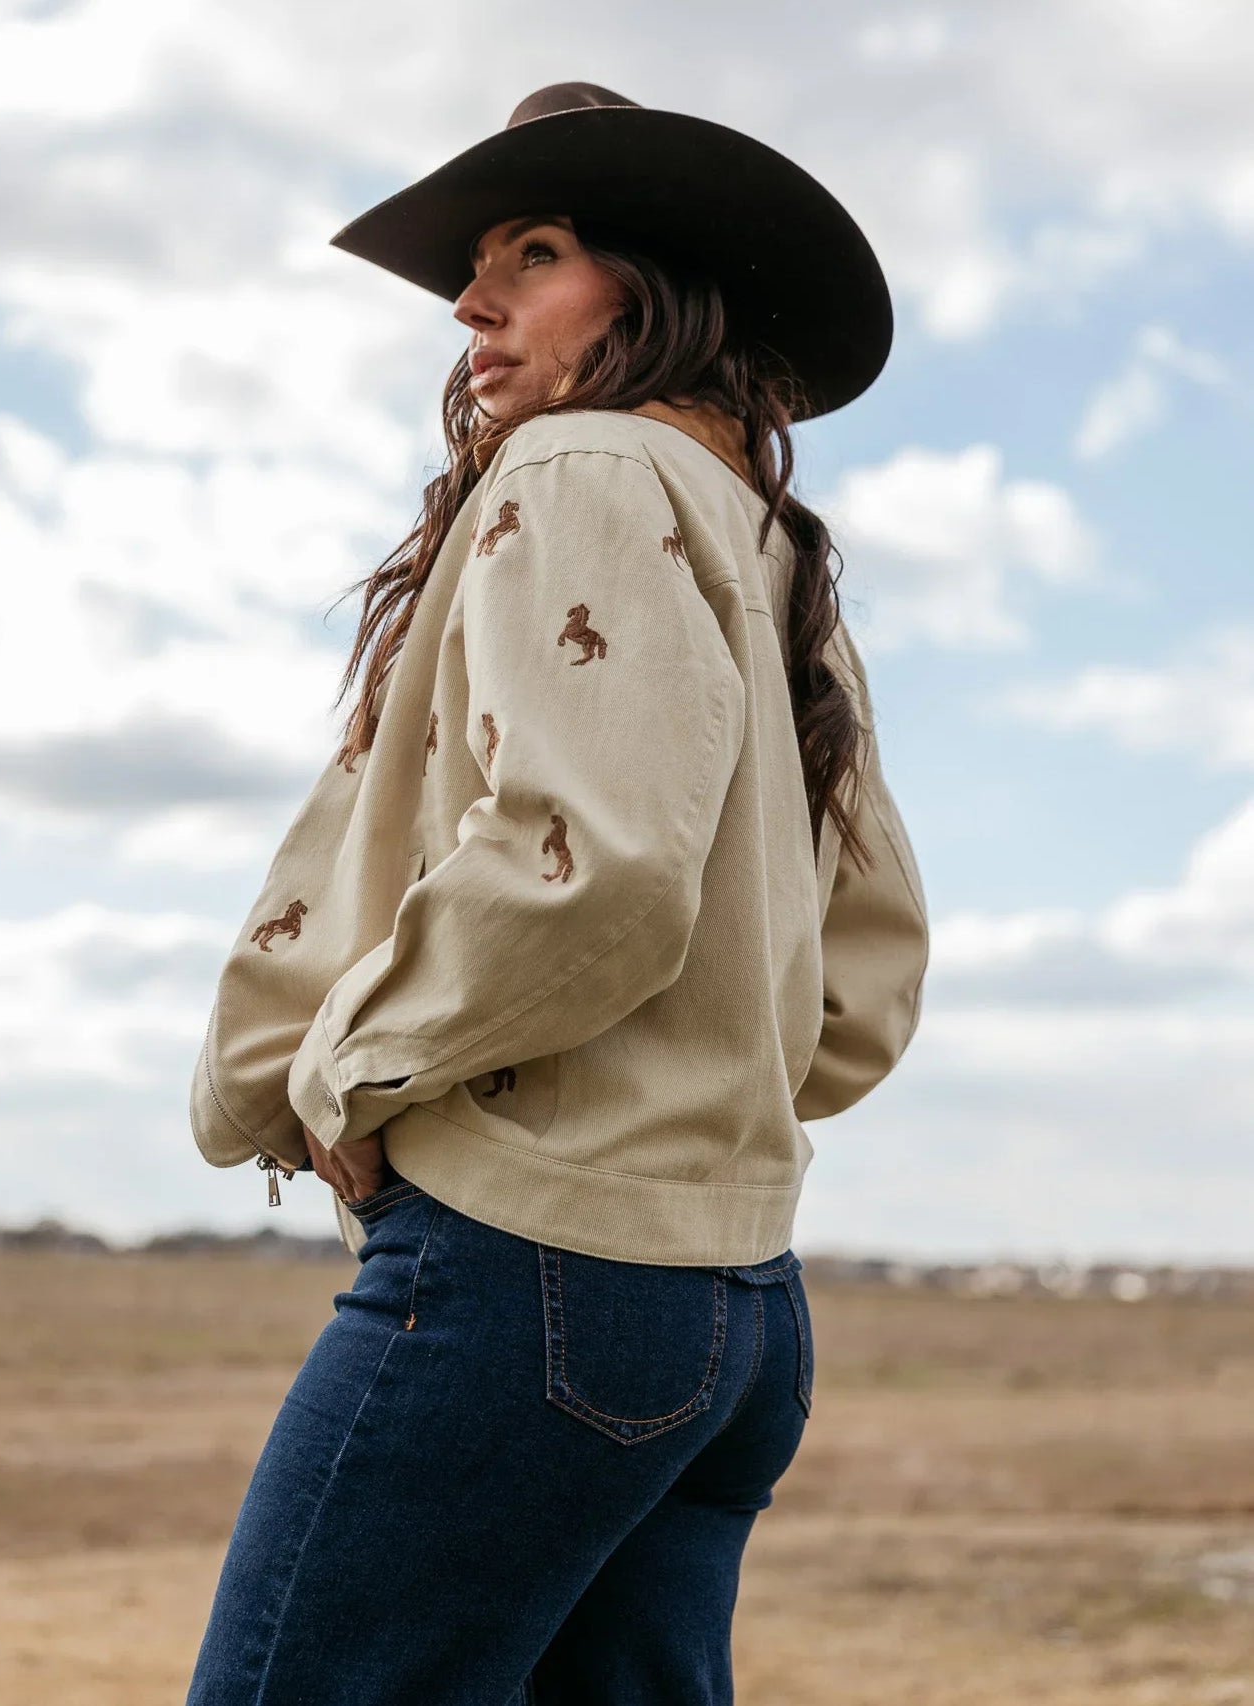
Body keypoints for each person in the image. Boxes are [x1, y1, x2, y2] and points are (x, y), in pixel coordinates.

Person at [184, 82, 929, 1706]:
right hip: (736, 1308)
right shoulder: (773, 550)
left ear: (650, 285)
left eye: (532, 252)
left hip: (531, 1277)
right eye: (477, 265)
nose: (470, 302)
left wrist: (349, 1066)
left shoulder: (582, 463)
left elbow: (586, 861)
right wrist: (691, 1086)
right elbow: (860, 976)